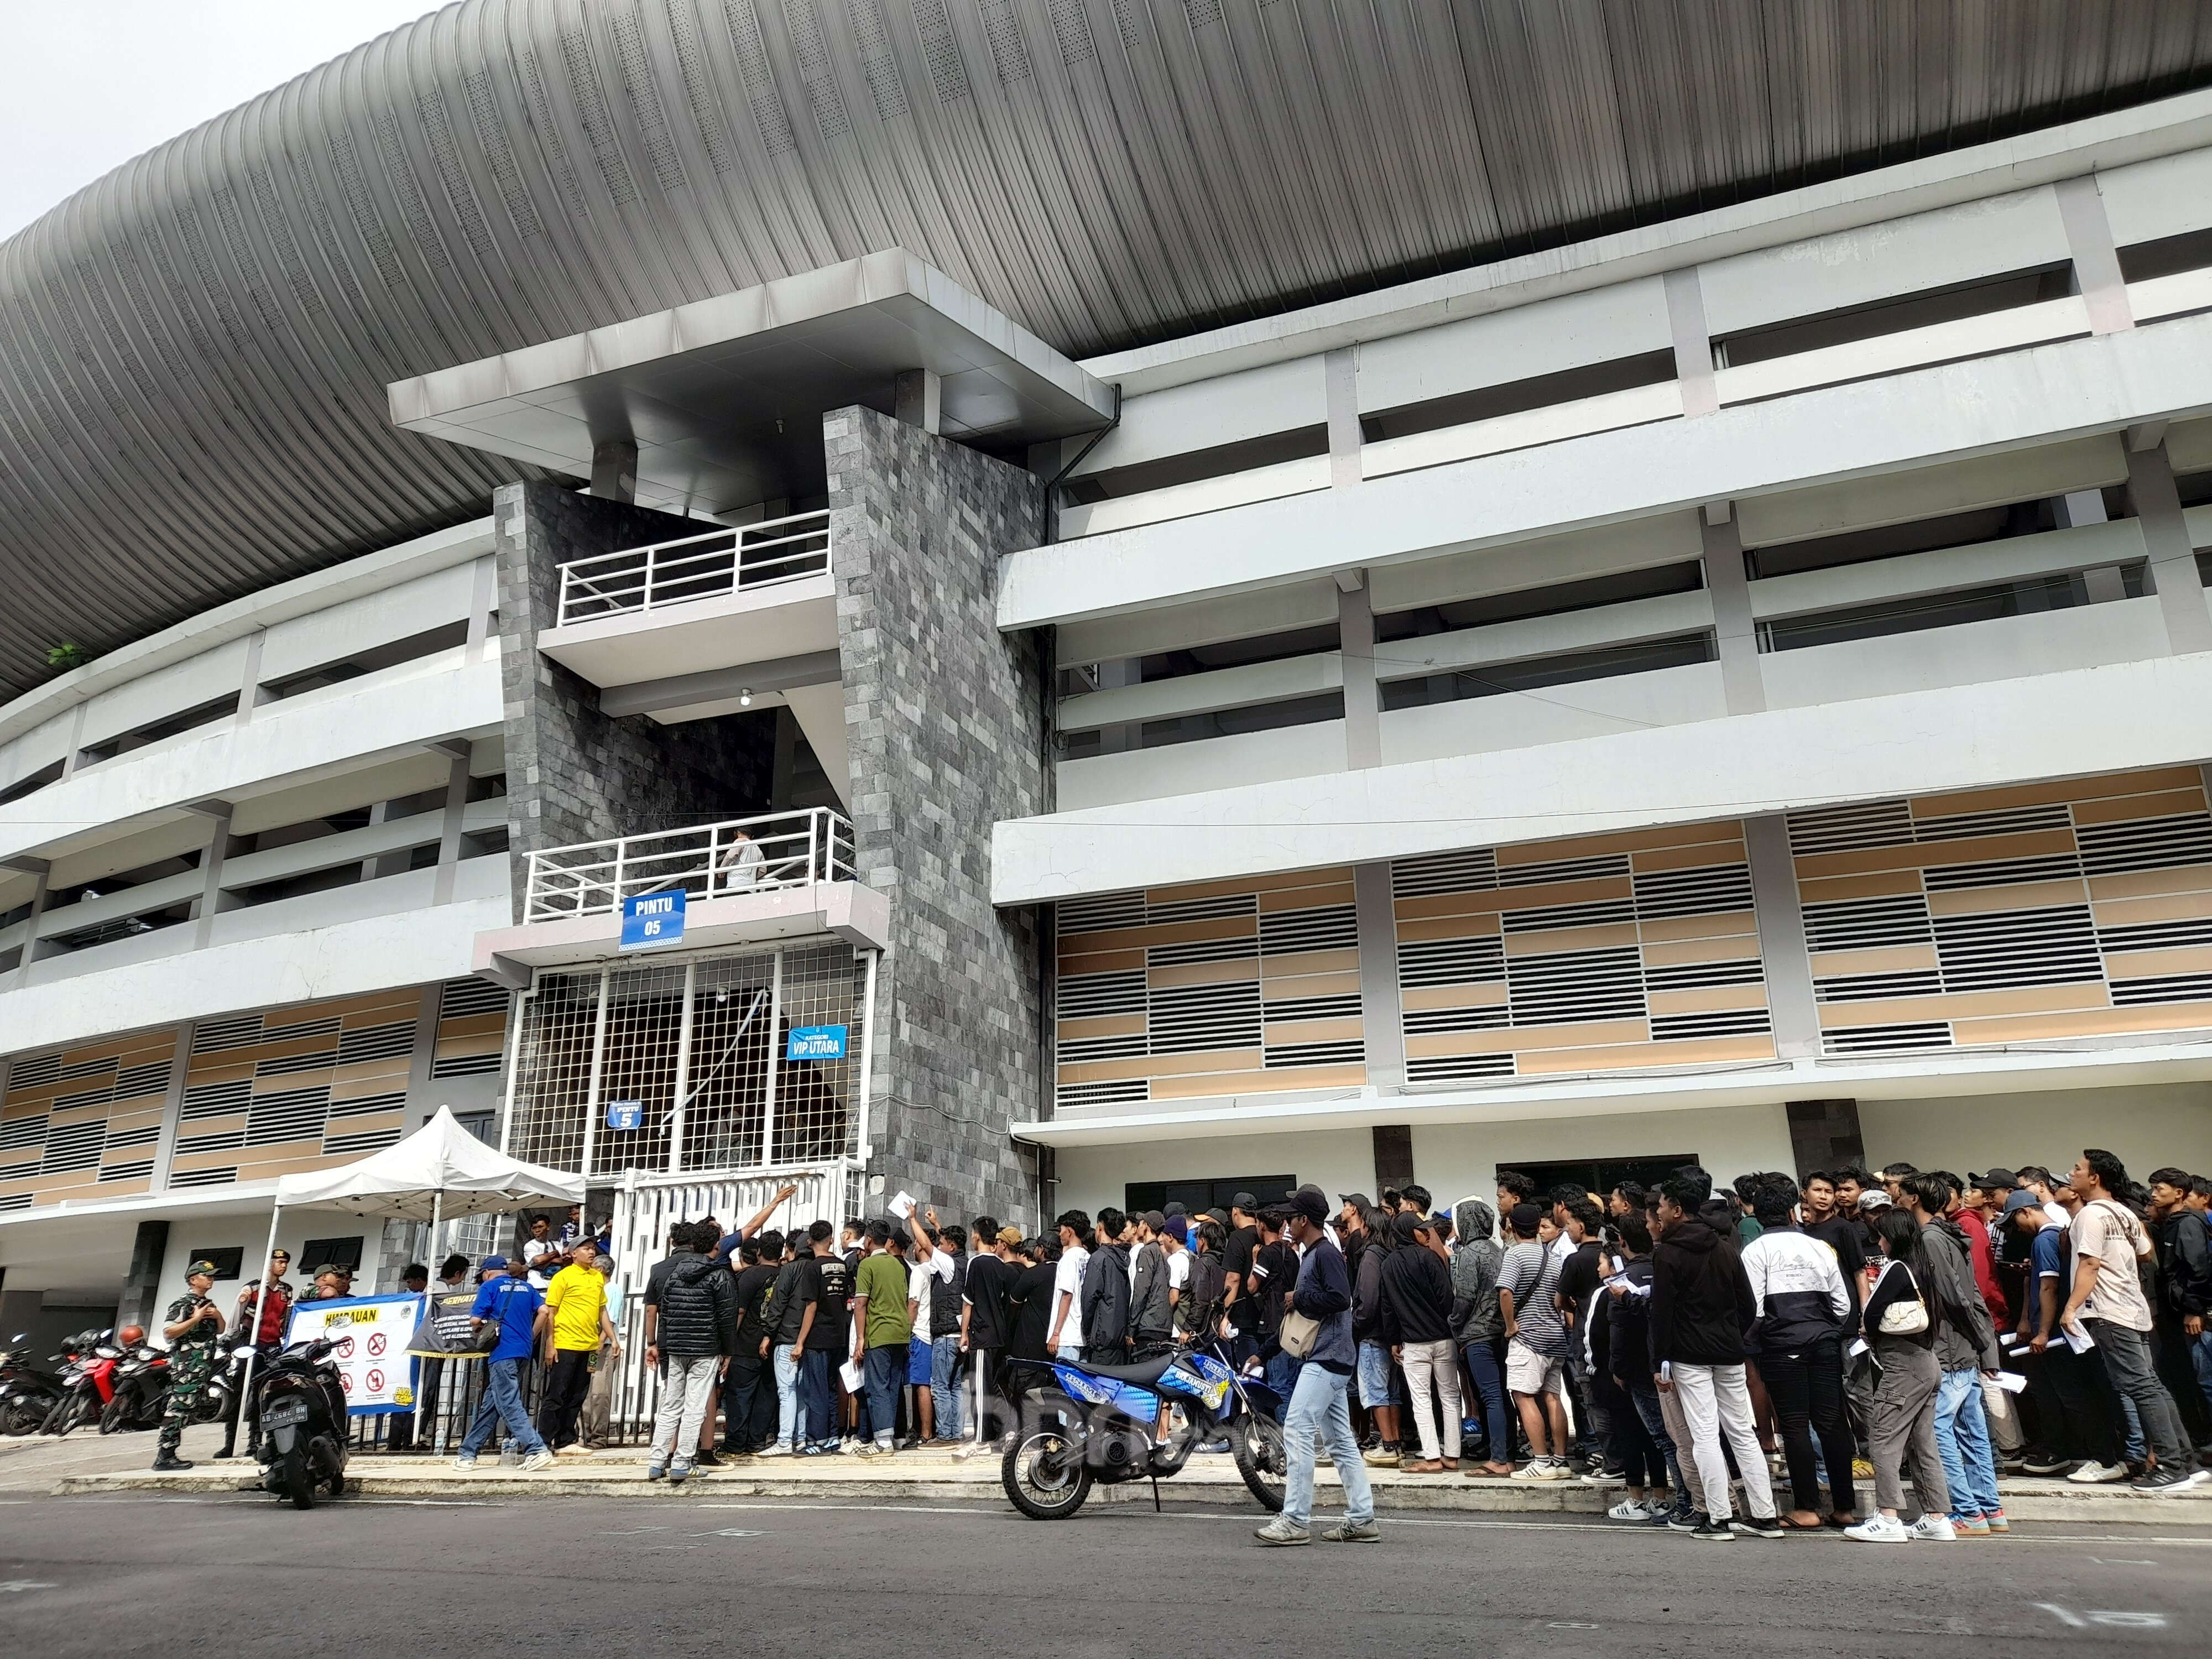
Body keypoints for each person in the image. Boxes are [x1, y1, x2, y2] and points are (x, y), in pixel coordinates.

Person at [2061, 1149, 2204, 1493]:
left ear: (2094, 1177)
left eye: (2078, 1168)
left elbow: (2090, 1264)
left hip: (2109, 1311)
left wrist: (2071, 1308)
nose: (2071, 1173)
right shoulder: (2124, 1212)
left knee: (2140, 1387)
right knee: (2151, 1385)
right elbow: (2145, 1252)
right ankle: (2185, 1460)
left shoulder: (2090, 1216)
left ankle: (2171, 1467)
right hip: (2134, 1310)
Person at [1650, 1176, 1781, 1540]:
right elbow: (1748, 1306)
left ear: (1677, 1209)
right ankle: (1766, 1516)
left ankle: (1719, 1518)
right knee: (1742, 1432)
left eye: (1662, 1205)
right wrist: (1732, 1335)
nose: (1658, 1211)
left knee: (1704, 1434)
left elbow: (1662, 1314)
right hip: (1729, 1352)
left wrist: (1659, 1361)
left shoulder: (1667, 1253)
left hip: (1689, 1354)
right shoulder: (1725, 1248)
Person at [1254, 1186, 1379, 1546]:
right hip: (1331, 1356)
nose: (1288, 1223)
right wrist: (1265, 1352)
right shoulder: (1316, 1253)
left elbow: (1340, 1298)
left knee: (1295, 1428)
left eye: (1292, 1217)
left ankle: (1294, 1520)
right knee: (1340, 1442)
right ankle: (1362, 1517)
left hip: (1327, 1356)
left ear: (1303, 1220)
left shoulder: (1323, 1253)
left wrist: (1300, 1297)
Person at [1740, 1180, 1857, 1529]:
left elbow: (1754, 1309)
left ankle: (1806, 1508)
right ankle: (1844, 1508)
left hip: (1781, 1346)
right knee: (1832, 1423)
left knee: (1794, 1426)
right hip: (1823, 1341)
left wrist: (1757, 1341)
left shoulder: (1755, 1252)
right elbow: (1843, 1303)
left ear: (1758, 1217)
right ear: (1793, 1211)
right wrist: (1825, 1329)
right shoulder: (1820, 1247)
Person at [1844, 1210, 1955, 1542]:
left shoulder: (1896, 1269)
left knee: (1883, 1439)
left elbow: (1873, 1313)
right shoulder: (1924, 1268)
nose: (1878, 1242)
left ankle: (1888, 1518)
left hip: (1902, 1366)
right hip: (1927, 1362)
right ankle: (1936, 1517)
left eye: (1881, 1236)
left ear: (1894, 1237)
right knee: (1924, 1444)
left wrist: (1867, 1329)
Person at [1904, 1173, 2005, 1530]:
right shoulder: (1950, 1234)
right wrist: (1985, 1347)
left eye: (1902, 1194)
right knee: (1972, 1431)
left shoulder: (1930, 1239)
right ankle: (1990, 1509)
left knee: (1940, 1430)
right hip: (1966, 1347)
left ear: (1914, 1199)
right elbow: (1973, 1295)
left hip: (1949, 1348)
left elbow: (1956, 1298)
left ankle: (1966, 1511)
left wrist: (1981, 1343)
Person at [2003, 1188, 2123, 1480]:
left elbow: (2049, 1287)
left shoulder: (2045, 1239)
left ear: (2026, 1212)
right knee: (2069, 1396)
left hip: (2057, 1336)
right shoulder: (2057, 1235)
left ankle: (2105, 1458)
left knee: (2073, 1398)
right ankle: (2094, 1453)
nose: (2016, 1228)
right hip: (2062, 1332)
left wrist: (2043, 1331)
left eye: (2015, 1220)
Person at [1604, 1212, 1686, 1525]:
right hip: (1675, 1363)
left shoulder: (1621, 1284)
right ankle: (1681, 1498)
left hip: (1642, 1370)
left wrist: (1618, 1369)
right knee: (1681, 1434)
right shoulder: (1664, 1270)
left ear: (1622, 1243)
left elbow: (1619, 1329)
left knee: (1664, 1437)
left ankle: (1685, 1501)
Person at [643, 1222, 739, 1483]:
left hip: (675, 1348)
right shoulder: (720, 1276)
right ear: (717, 1246)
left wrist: (658, 1344)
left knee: (671, 1404)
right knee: (695, 1406)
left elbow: (665, 1312)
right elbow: (727, 1318)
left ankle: (656, 1461)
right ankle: (683, 1462)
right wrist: (728, 1352)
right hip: (706, 1348)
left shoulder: (674, 1275)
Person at [454, 1256, 555, 1472]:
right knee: (492, 1404)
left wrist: (480, 1327)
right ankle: (468, 1452)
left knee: (508, 1403)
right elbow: (545, 1311)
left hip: (502, 1352)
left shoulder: (489, 1287)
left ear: (487, 1273)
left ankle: (536, 1449)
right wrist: (531, 1335)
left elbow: (475, 1320)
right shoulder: (527, 1287)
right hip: (524, 1351)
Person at [1496, 1202, 1572, 1481]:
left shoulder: (1515, 1255)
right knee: (1553, 1397)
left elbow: (1506, 1292)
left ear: (1512, 1227)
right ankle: (1561, 1460)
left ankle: (1541, 1461)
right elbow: (1561, 1298)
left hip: (1528, 1338)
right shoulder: (1551, 1256)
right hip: (1555, 1337)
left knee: (1523, 1396)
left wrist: (1510, 1325)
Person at [1380, 1211, 1460, 1473]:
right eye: (1421, 1230)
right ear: (1410, 1233)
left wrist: (1393, 1340)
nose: (1426, 1234)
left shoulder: (1388, 1265)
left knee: (1422, 1399)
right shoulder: (1430, 1258)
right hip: (1444, 1337)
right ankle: (1452, 1456)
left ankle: (1432, 1458)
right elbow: (1446, 1298)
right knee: (1449, 1396)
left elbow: (1388, 1307)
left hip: (1413, 1343)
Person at [1449, 1199, 1513, 1477]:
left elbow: (1464, 1296)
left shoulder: (1469, 1253)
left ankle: (1498, 1458)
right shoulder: (1498, 1250)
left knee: (1489, 1395)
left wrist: (1454, 1324)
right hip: (1500, 1332)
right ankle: (1507, 1451)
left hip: (1477, 1334)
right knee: (1502, 1394)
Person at [214, 1248, 295, 1460]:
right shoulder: (252, 1289)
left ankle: (255, 1441)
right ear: (269, 1264)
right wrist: (233, 1343)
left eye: (285, 1262)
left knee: (265, 1394)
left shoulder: (287, 1290)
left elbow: (284, 1320)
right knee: (240, 1393)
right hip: (250, 1342)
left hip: (272, 1346)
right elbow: (235, 1318)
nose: (283, 1266)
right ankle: (230, 1443)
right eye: (279, 1262)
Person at [538, 1239, 617, 1454]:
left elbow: (602, 1310)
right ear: (574, 1253)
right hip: (565, 1343)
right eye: (586, 1249)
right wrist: (550, 1345)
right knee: (557, 1394)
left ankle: (566, 1440)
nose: (591, 1252)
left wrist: (613, 1338)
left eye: (592, 1249)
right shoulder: (563, 1277)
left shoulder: (597, 1277)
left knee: (577, 1395)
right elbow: (550, 1312)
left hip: (589, 1345)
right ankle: (543, 1441)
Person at [1342, 1196, 1402, 1467]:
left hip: (1372, 1334)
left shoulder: (1370, 1256)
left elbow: (1367, 1298)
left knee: (1376, 1391)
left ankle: (1388, 1445)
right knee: (1392, 1391)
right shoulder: (1392, 1254)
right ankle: (1396, 1441)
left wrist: (1355, 1322)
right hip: (1392, 1333)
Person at [152, 1260, 227, 1472]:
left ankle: (169, 1454)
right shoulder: (183, 1304)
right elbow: (169, 1332)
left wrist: (217, 1316)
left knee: (186, 1408)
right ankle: (165, 1456)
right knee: (178, 1408)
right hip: (187, 1366)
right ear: (193, 1280)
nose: (210, 1279)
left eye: (212, 1276)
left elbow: (219, 1330)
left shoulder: (207, 1303)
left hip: (201, 1366)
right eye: (206, 1275)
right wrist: (196, 1319)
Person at [906, 1206, 968, 1442]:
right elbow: (944, 1243)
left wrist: (913, 1219)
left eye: (943, 1244)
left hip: (945, 1336)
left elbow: (929, 1245)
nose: (939, 1248)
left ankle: (944, 1434)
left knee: (941, 1387)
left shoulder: (948, 1265)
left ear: (951, 1248)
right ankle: (956, 1432)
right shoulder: (964, 1262)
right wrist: (937, 1224)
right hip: (959, 1334)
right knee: (954, 1387)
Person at [851, 1220, 912, 1454]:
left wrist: (860, 1338)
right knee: (893, 1386)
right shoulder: (899, 1266)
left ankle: (883, 1440)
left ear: (868, 1240)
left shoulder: (867, 1265)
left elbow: (861, 1303)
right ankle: (894, 1436)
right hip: (900, 1332)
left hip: (879, 1332)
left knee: (877, 1387)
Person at [794, 1219, 854, 1453]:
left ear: (810, 1242)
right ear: (830, 1239)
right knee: (830, 1388)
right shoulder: (841, 1265)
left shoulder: (812, 1268)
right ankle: (832, 1436)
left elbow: (811, 1306)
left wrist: (800, 1342)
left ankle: (815, 1441)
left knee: (815, 1390)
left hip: (818, 1336)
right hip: (838, 1335)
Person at [961, 1225, 1019, 1450]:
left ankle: (981, 1439)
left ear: (976, 1236)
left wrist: (964, 1334)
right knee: (995, 1385)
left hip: (982, 1335)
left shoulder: (975, 1263)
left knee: (980, 1388)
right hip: (999, 1334)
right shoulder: (1001, 1266)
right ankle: (1009, 1427)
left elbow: (969, 1302)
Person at [1079, 1208, 1131, 1368]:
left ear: (1100, 1227)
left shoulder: (1099, 1258)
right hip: (1120, 1336)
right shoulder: (1123, 1258)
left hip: (1102, 1337)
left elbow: (1089, 1298)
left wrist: (1087, 1330)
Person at [1047, 1210, 1092, 1363]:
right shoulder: (1088, 1258)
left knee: (1068, 1382)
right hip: (1084, 1334)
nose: (1060, 1234)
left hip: (1068, 1334)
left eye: (1061, 1230)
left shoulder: (1068, 1258)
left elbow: (1067, 1295)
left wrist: (1056, 1333)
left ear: (1070, 1231)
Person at [521, 1215, 561, 1290]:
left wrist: (546, 1259)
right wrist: (554, 1255)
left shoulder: (557, 1245)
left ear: (548, 1227)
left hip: (555, 1286)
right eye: (534, 1228)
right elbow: (538, 1260)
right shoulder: (530, 1245)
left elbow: (565, 1260)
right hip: (537, 1285)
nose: (537, 1231)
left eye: (540, 1227)